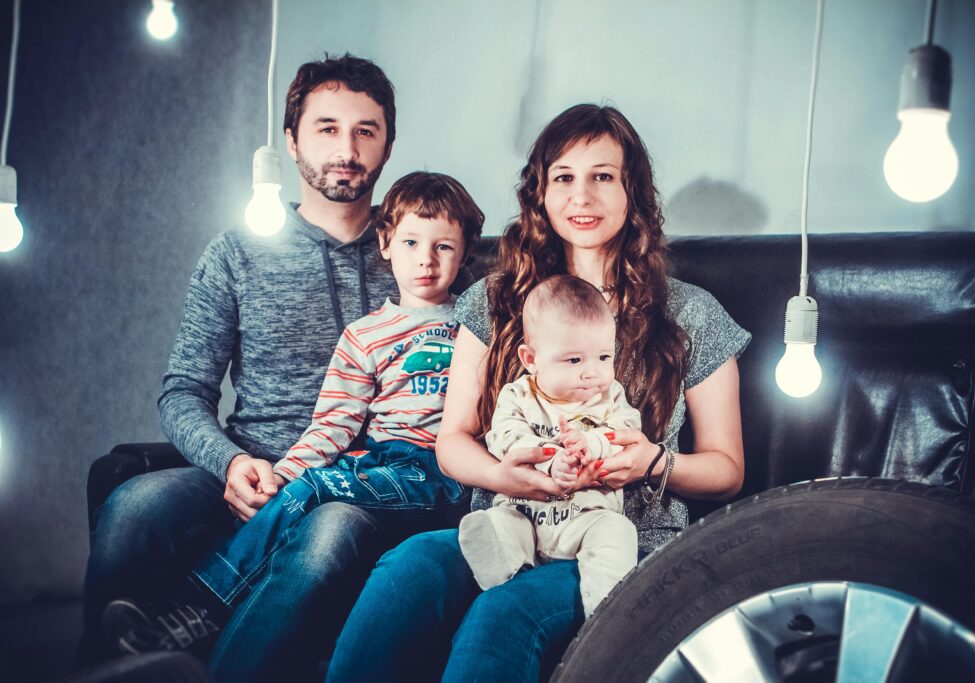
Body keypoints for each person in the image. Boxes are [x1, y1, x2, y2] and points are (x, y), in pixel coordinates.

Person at [326, 103, 751, 683]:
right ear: (541, 194)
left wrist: (649, 461)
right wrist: (509, 476)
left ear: (634, 192)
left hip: (627, 541)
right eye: (564, 178)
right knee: (408, 568)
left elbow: (728, 470)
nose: (582, 196)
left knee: (506, 611)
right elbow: (453, 440)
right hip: (511, 517)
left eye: (603, 176)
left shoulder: (692, 314)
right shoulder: (492, 300)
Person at [80, 54, 420, 681]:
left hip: (356, 481)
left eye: (365, 130)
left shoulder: (421, 254)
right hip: (249, 466)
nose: (346, 148)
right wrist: (231, 463)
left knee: (327, 538)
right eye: (326, 128)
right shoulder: (238, 251)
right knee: (133, 507)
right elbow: (183, 392)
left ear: (388, 145)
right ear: (291, 142)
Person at [109, 171, 482, 655]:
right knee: (303, 486)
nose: (427, 260)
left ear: (466, 250)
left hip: (444, 468)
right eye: (411, 242)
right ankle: (182, 628)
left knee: (317, 494)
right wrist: (279, 477)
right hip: (381, 461)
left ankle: (197, 612)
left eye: (444, 247)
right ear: (386, 242)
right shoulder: (363, 336)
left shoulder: (477, 319)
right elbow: (334, 424)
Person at [458, 274, 641, 618]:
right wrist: (549, 459)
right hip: (524, 511)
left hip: (586, 517)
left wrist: (594, 444)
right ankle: (502, 566)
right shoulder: (519, 395)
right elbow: (504, 435)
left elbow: (627, 430)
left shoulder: (610, 395)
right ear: (531, 359)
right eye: (574, 360)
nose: (593, 373)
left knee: (618, 532)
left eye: (604, 357)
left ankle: (604, 604)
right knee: (501, 523)